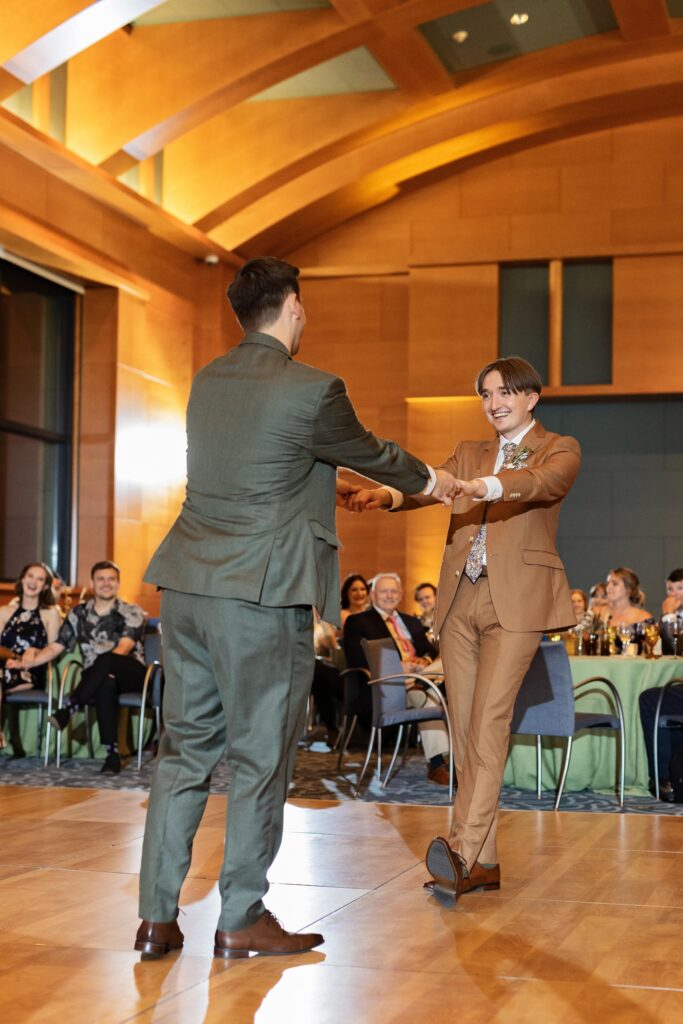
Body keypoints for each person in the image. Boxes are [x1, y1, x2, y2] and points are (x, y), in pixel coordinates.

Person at [134, 256, 459, 960]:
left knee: (183, 755)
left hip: (186, 585)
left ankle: (157, 918)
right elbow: (371, 451)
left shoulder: (207, 381)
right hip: (260, 594)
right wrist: (439, 481)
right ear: (293, 307)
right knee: (259, 759)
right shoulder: (314, 388)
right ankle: (240, 917)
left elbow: (260, 461)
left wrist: (323, 485)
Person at [350, 356, 580, 902]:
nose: (493, 402)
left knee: (492, 721)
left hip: (516, 603)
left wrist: (481, 486)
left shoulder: (559, 447)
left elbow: (537, 483)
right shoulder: (467, 450)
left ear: (531, 398)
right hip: (458, 602)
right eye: (485, 394)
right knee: (467, 731)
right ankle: (484, 862)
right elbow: (431, 486)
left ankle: (463, 850)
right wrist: (384, 495)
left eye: (504, 392)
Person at [21, 561, 146, 774]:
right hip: (98, 679)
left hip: (132, 673)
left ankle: (69, 708)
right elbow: (56, 648)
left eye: (111, 579)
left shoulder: (131, 611)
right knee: (105, 682)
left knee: (106, 661)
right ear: (92, 583)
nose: (106, 583)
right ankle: (112, 754)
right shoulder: (77, 614)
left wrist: (101, 667)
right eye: (101, 579)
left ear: (118, 583)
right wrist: (27, 660)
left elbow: (123, 649)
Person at [343, 573, 450, 785]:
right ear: (373, 594)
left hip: (419, 680)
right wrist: (397, 666)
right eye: (384, 591)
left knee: (450, 659)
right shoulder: (358, 621)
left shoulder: (410, 621)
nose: (389, 595)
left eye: (394, 591)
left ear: (400, 595)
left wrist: (423, 661)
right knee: (428, 696)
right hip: (386, 685)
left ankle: (421, 680)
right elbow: (356, 657)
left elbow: (429, 650)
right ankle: (438, 764)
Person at [1, 563, 61, 755]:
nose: (33, 582)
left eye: (40, 578)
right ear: (22, 579)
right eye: (30, 576)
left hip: (30, 671)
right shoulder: (4, 612)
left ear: (45, 586)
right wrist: (12, 657)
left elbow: (54, 647)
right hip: (4, 666)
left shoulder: (51, 614)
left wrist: (34, 650)